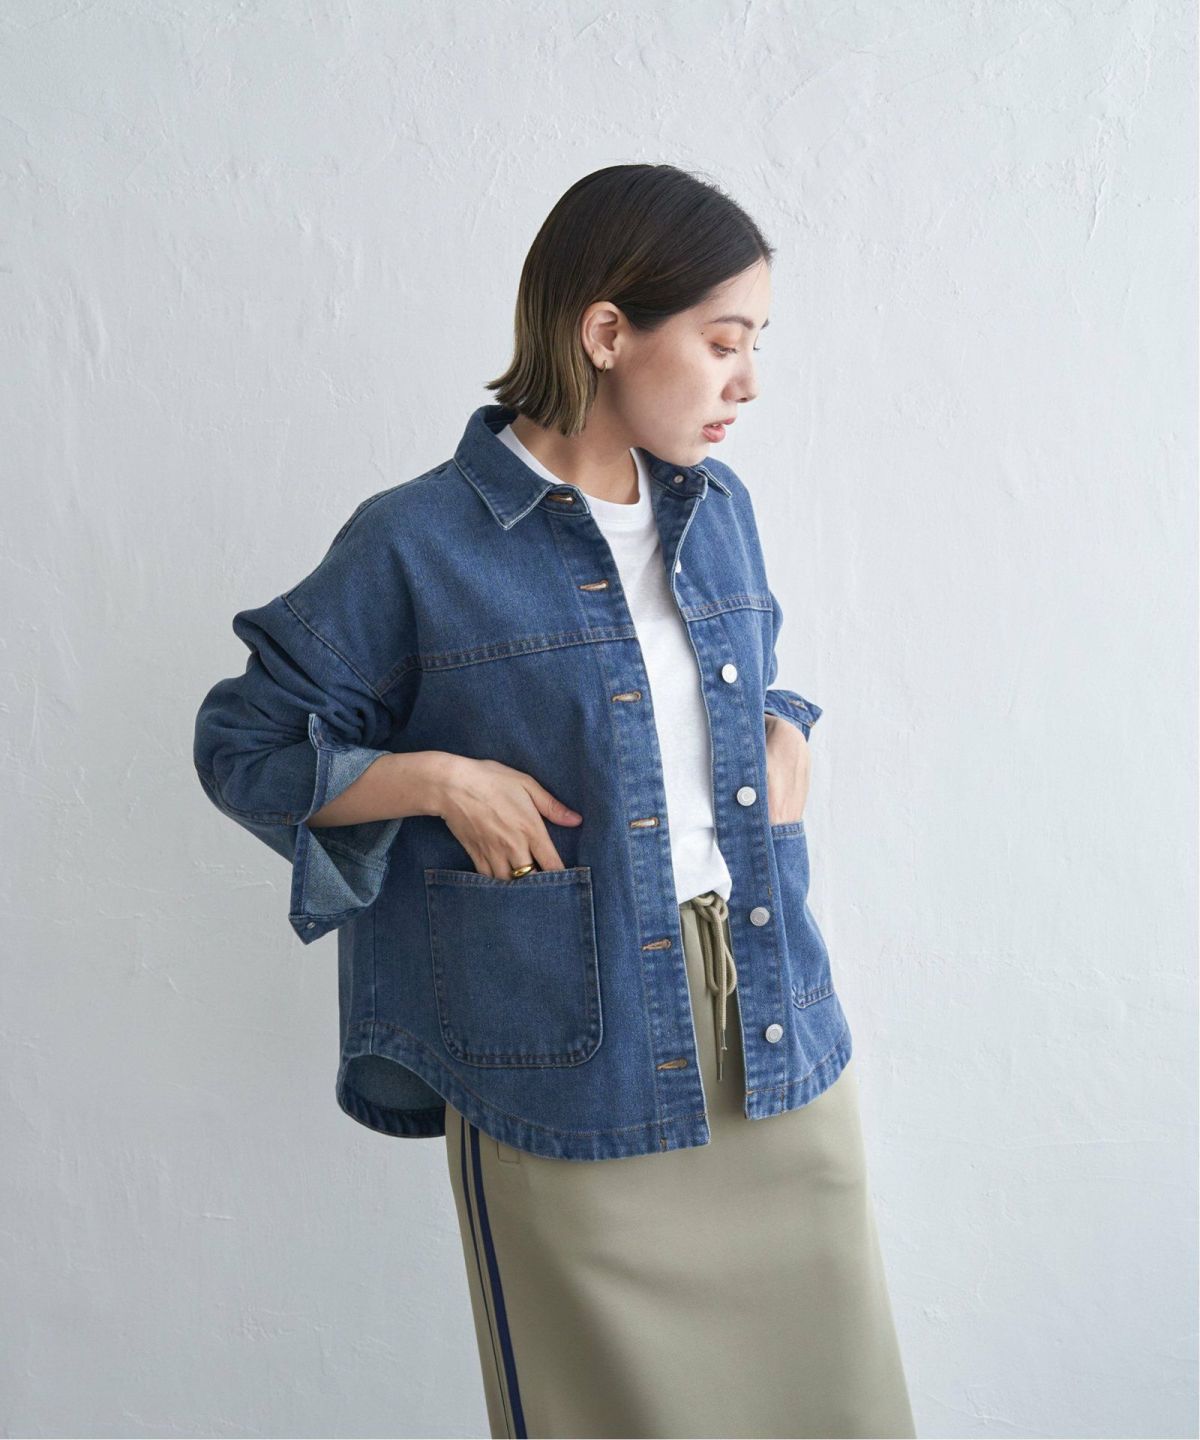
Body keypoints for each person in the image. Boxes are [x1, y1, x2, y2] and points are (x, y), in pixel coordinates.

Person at [194, 162, 916, 1439]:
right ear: (607, 332)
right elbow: (244, 742)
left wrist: (788, 731)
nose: (749, 381)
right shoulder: (417, 540)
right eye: (723, 343)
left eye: (757, 344)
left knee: (836, 1407)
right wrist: (433, 778)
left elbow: (720, 695)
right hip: (569, 1062)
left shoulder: (719, 508)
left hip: (769, 1028)